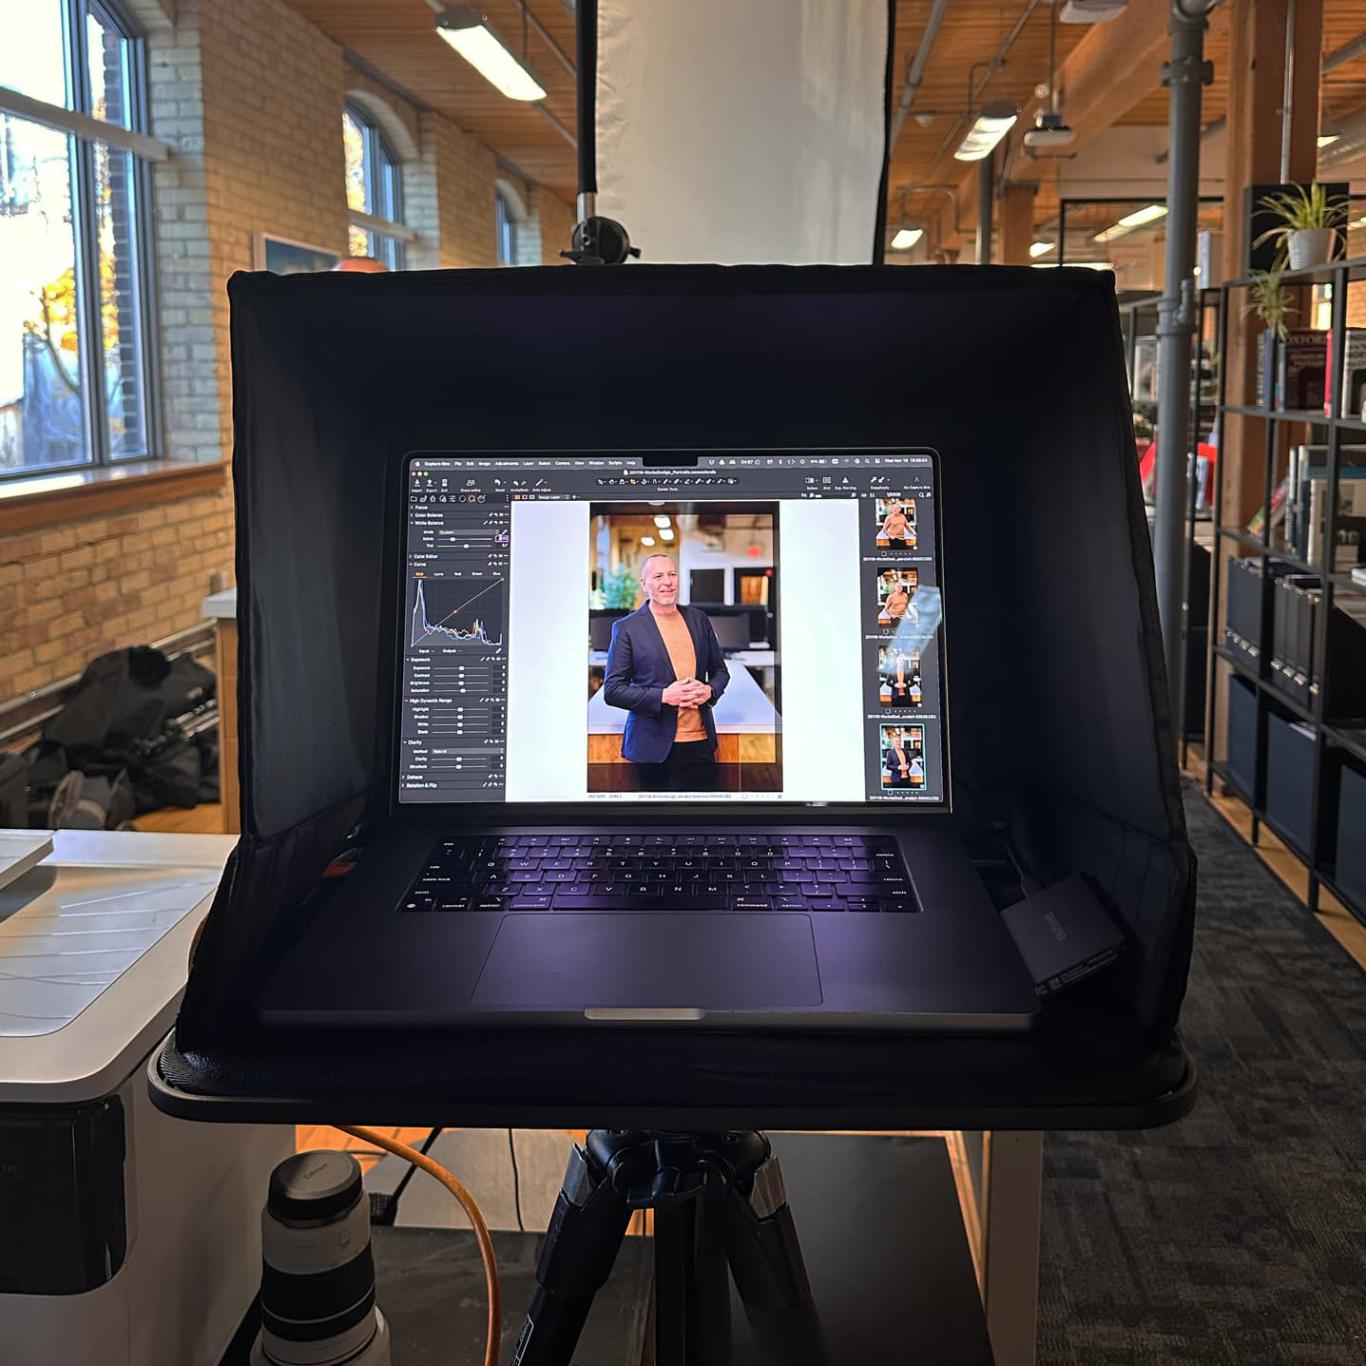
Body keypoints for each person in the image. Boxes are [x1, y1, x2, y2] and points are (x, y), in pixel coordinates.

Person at [602, 553, 731, 792]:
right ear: (644, 584)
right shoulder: (626, 628)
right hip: (652, 749)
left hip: (700, 744)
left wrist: (709, 690)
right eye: (658, 576)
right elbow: (612, 691)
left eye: (672, 574)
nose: (667, 582)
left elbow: (720, 671)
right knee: (654, 827)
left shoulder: (698, 619)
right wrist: (663, 696)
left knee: (701, 825)